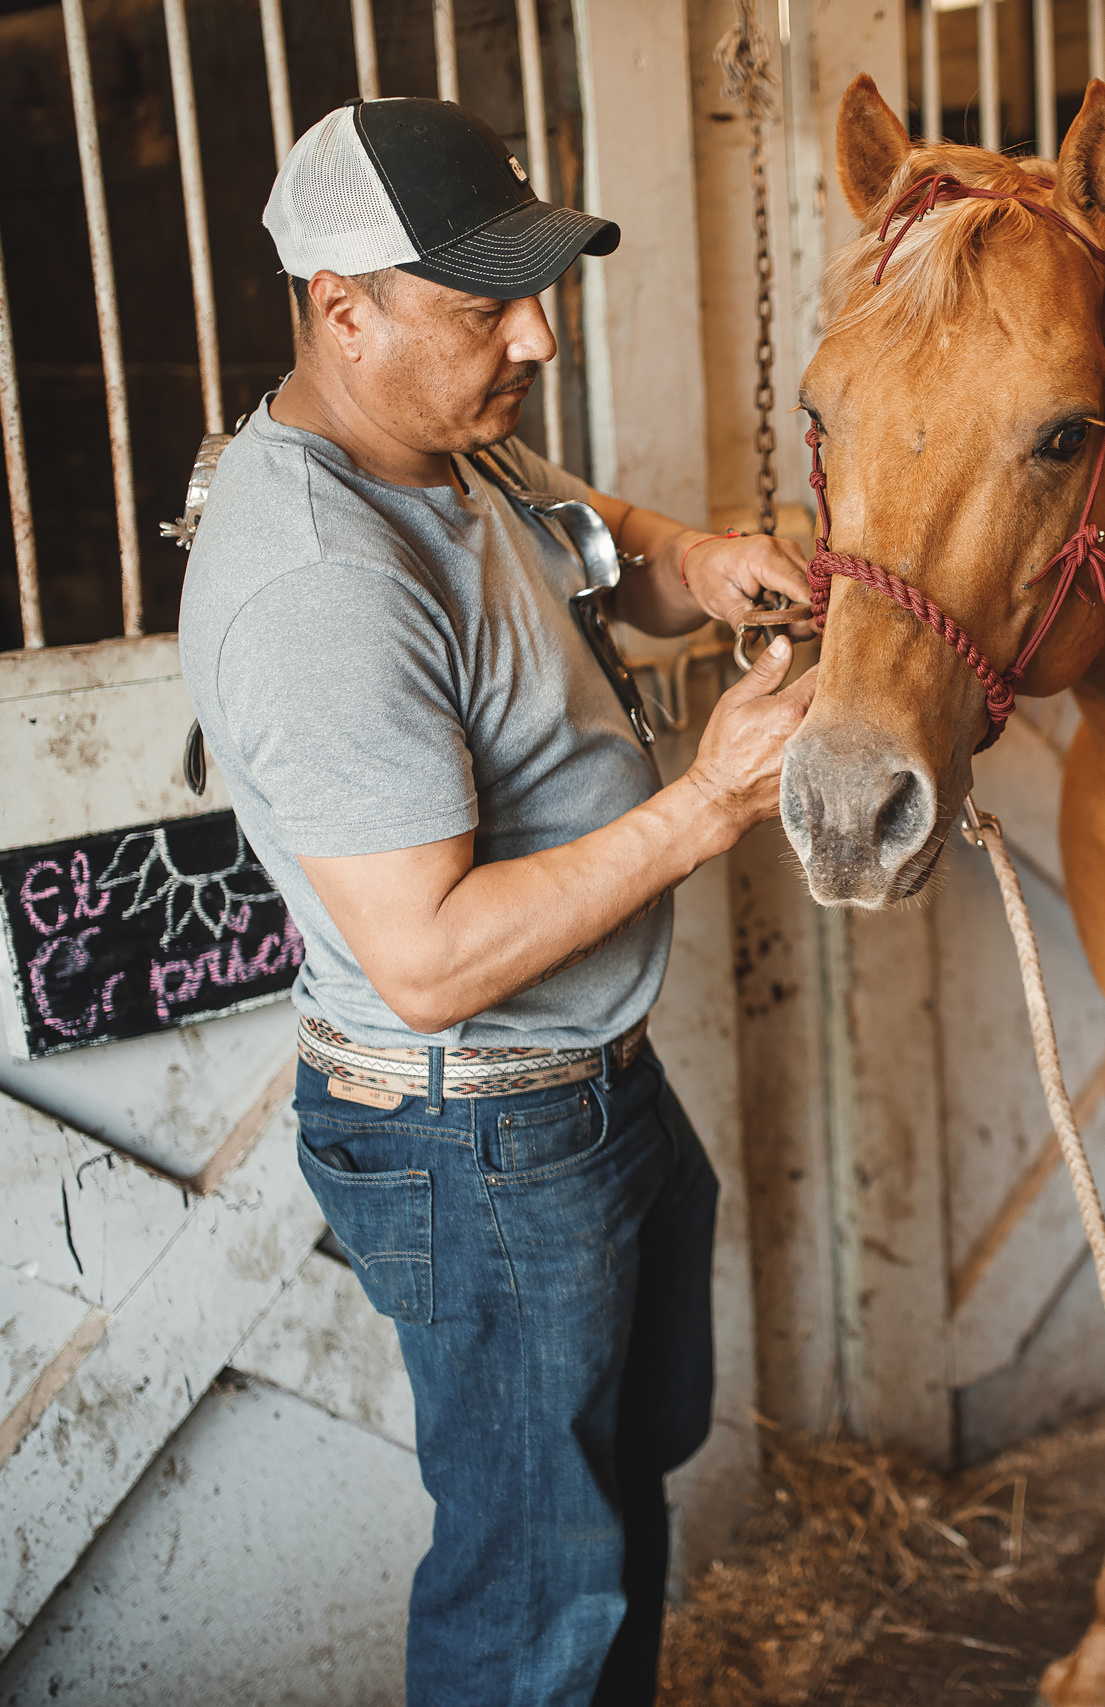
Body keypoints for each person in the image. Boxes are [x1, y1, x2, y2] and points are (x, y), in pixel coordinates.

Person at [178, 98, 816, 1706]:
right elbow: (431, 960)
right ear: (343, 308)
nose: (536, 335)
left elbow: (600, 548)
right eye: (483, 306)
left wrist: (713, 560)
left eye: (535, 289)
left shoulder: (449, 442)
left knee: (603, 1498)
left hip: (585, 1087)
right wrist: (714, 801)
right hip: (483, 1129)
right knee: (536, 1578)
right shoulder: (325, 585)